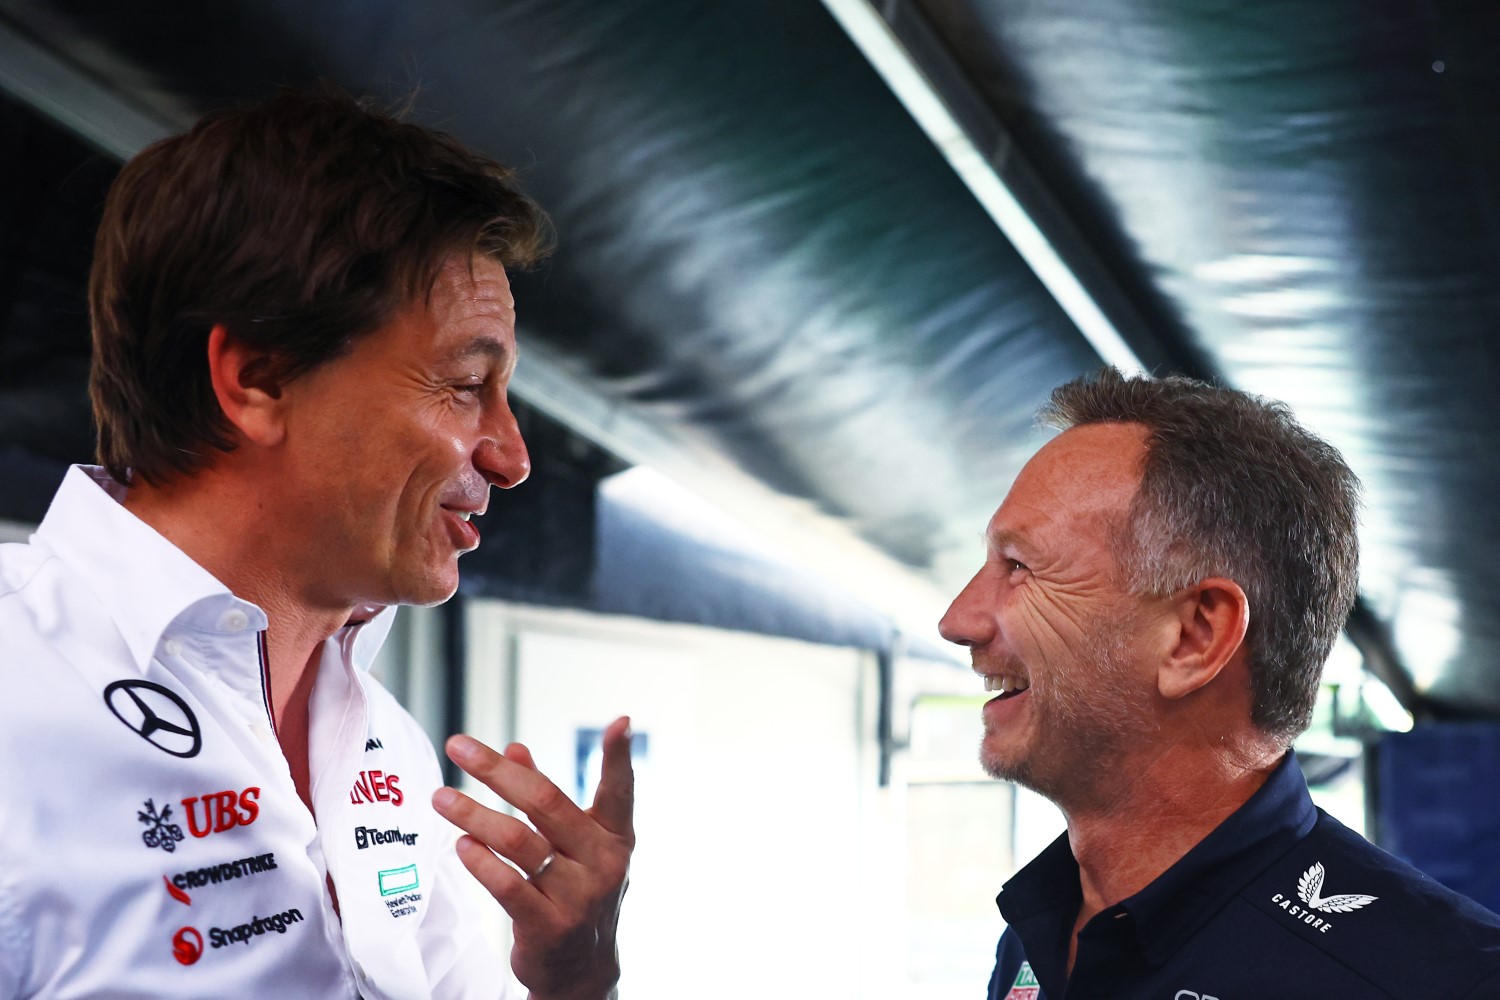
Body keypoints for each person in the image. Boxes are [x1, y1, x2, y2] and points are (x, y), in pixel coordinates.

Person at [0, 86, 632, 999]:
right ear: (257, 379)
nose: (513, 457)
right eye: (463, 383)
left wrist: (574, 984)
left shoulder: (387, 744)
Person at [939, 368, 1500, 999]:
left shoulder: (1445, 981)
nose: (957, 620)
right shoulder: (1039, 931)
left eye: (1019, 568)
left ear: (1195, 637)